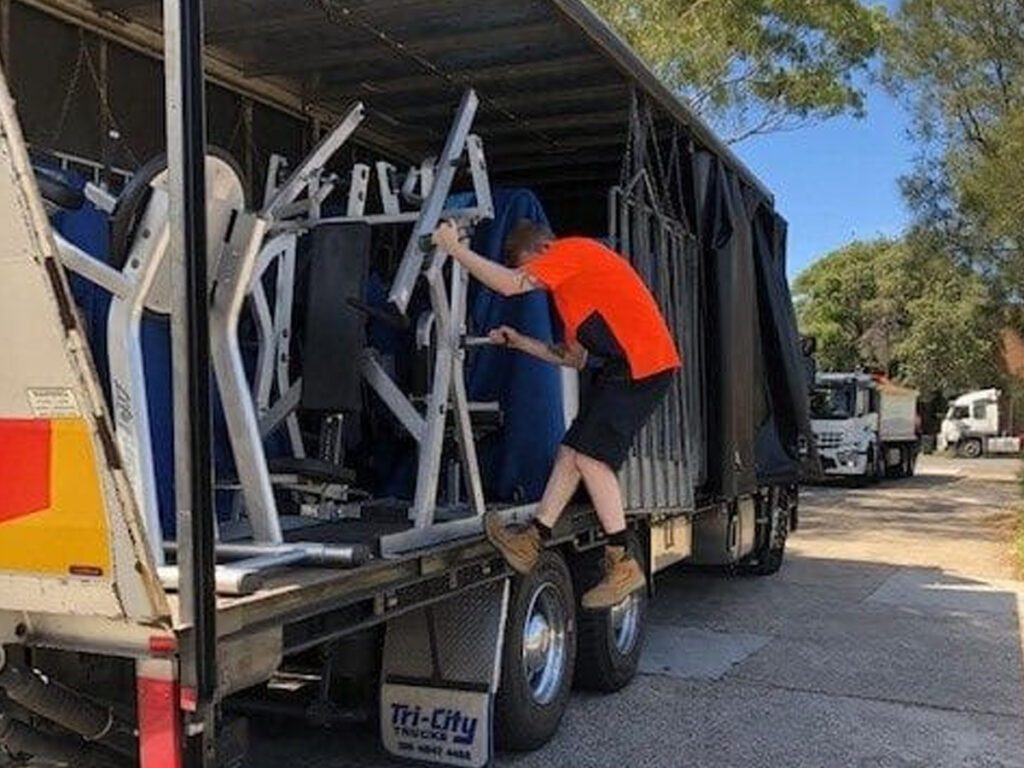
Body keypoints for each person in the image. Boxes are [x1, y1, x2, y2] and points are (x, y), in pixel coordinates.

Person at [431, 219, 681, 609]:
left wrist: (453, 248)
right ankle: (532, 540)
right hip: (622, 369)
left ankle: (622, 562)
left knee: (591, 459)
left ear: (542, 250)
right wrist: (519, 342)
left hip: (642, 365)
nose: (534, 279)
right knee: (570, 453)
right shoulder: (570, 295)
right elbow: (571, 358)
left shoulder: (570, 251)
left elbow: (510, 284)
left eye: (529, 267)